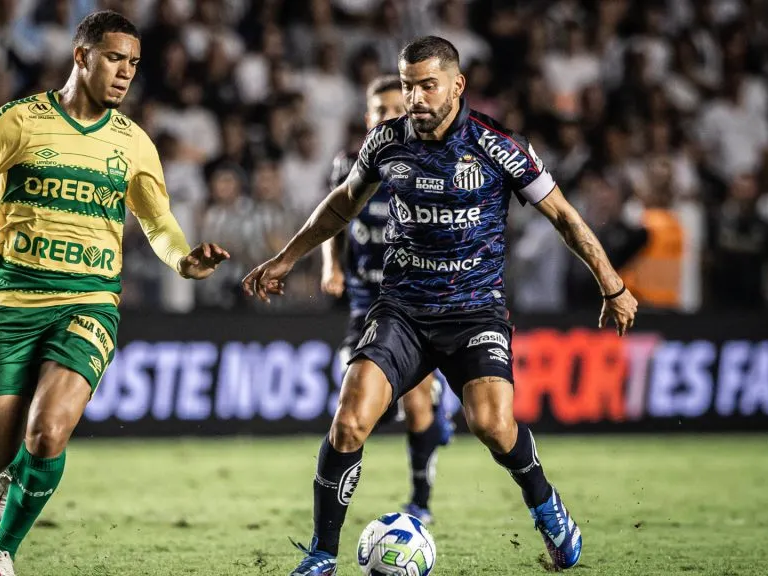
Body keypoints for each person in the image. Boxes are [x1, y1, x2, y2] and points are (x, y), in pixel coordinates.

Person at [242, 36, 637, 575]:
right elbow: (341, 203)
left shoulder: (498, 146)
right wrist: (288, 259)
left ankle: (549, 510)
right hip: (402, 309)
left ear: (457, 84)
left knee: (493, 426)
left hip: (475, 311)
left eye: (428, 85)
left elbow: (565, 217)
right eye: (408, 86)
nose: (416, 98)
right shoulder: (386, 142)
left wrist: (612, 285)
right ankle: (321, 555)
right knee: (349, 423)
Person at [0, 11, 229, 576]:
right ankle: (4, 471)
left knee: (47, 433)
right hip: (13, 305)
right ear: (81, 56)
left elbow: (158, 223)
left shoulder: (135, 143)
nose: (125, 73)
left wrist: (184, 260)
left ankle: (1, 555)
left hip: (89, 303)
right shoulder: (20, 121)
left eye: (134, 64)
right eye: (115, 58)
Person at [320, 75, 453, 525]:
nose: (388, 117)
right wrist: (330, 266)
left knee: (414, 403)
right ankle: (437, 417)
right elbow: (334, 219)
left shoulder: (427, 165)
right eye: (380, 110)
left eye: (397, 109)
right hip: (365, 305)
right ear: (367, 117)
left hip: (412, 303)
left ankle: (421, 498)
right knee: (359, 410)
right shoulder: (347, 165)